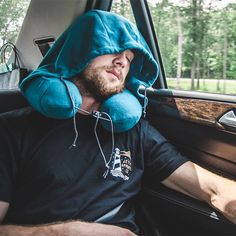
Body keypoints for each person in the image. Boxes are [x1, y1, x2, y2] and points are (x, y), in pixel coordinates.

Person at [0, 10, 236, 236]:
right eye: (112, 49)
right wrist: (61, 232)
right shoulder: (12, 129)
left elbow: (212, 189)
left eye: (130, 58)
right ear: (78, 49)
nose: (123, 62)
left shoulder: (135, 131)